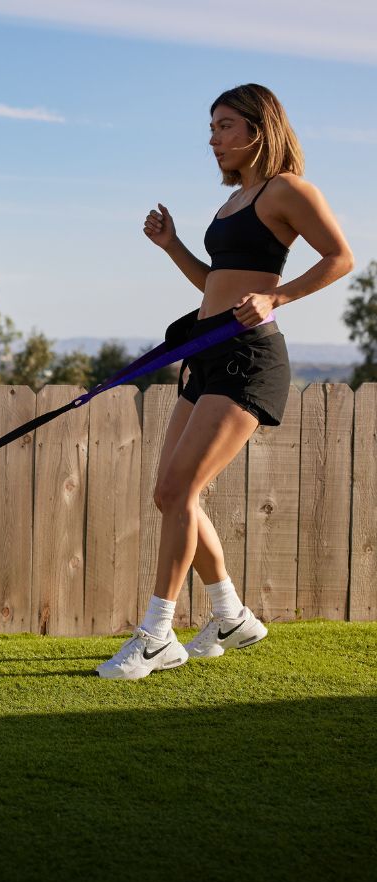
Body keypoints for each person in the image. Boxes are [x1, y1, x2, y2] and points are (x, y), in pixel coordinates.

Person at [97, 83, 354, 680]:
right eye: (211, 128)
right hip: (207, 352)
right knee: (170, 494)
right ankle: (230, 615)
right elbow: (215, 284)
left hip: (249, 359)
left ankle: (157, 634)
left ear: (258, 130)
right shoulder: (236, 200)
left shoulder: (287, 189)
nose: (213, 140)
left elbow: (340, 257)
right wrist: (172, 246)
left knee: (181, 492)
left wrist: (278, 297)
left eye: (224, 127)